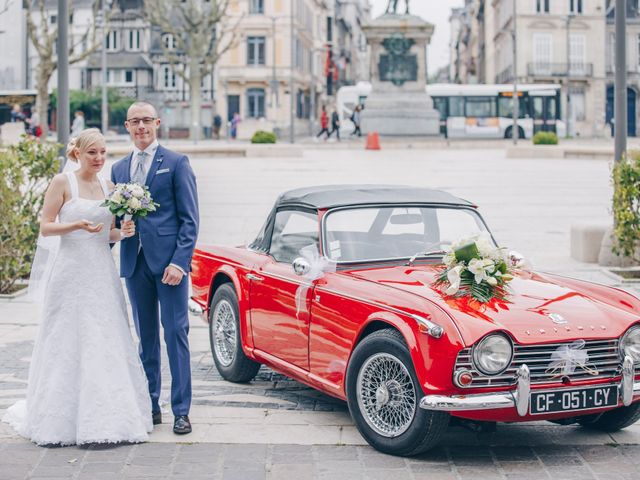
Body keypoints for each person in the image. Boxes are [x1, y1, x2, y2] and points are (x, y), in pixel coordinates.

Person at [1, 129, 152, 446]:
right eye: (92, 153)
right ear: (78, 154)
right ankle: (58, 418)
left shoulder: (108, 186)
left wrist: (122, 232)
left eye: (102, 153)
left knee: (104, 336)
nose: (98, 159)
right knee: (66, 337)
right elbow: (45, 226)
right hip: (70, 272)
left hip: (100, 272)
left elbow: (107, 234)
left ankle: (108, 415)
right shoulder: (62, 183)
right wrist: (76, 225)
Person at [111, 102, 199, 435]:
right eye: (135, 122)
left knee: (176, 334)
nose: (141, 127)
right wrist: (119, 232)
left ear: (157, 123)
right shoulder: (119, 169)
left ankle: (181, 410)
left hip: (169, 266)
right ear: (127, 126)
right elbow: (117, 219)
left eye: (147, 120)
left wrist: (180, 262)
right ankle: (150, 405)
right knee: (146, 339)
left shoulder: (176, 163)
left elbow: (190, 220)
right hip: (135, 264)